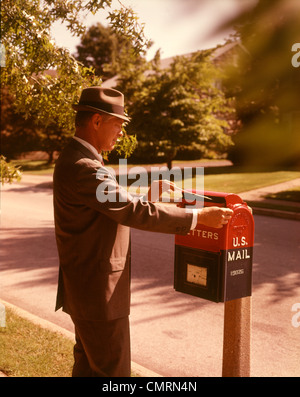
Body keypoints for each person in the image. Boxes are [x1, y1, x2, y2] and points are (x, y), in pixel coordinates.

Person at [53, 86, 233, 377]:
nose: (121, 132)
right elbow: (133, 212)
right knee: (115, 375)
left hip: (86, 292)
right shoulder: (84, 166)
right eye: (118, 124)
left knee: (88, 369)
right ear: (97, 121)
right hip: (99, 297)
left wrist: (148, 196)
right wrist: (199, 218)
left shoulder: (75, 159)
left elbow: (114, 207)